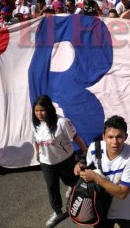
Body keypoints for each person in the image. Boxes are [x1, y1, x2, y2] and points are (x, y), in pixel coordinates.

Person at [74, 115, 130, 228]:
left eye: (119, 137)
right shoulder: (94, 148)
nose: (115, 142)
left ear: (126, 137)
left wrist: (95, 177)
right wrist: (81, 167)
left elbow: (122, 193)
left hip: (125, 211)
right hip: (101, 210)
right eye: (110, 137)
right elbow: (91, 168)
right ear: (103, 137)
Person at [32, 95, 88, 228]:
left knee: (73, 182)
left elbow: (75, 137)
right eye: (36, 111)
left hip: (65, 160)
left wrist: (86, 151)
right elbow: (35, 139)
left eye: (42, 110)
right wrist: (36, 153)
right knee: (52, 187)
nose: (39, 114)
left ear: (49, 109)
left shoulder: (62, 122)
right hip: (47, 163)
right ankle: (57, 212)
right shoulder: (35, 124)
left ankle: (79, 201)